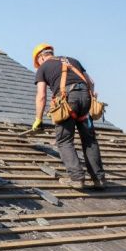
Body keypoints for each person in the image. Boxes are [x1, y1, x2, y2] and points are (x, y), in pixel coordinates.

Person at [31, 43, 106, 190]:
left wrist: (38, 119)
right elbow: (91, 82)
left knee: (64, 140)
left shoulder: (43, 68)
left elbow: (41, 95)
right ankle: (99, 179)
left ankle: (77, 178)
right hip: (85, 99)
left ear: (40, 58)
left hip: (67, 101)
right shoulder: (72, 60)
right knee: (89, 140)